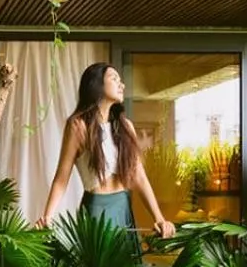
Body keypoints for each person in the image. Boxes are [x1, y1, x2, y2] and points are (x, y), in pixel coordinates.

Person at [37, 62, 175, 246]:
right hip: (95, 210)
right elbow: (61, 179)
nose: (122, 84)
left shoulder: (126, 127)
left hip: (122, 207)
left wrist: (159, 218)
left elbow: (139, 176)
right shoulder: (78, 126)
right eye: (114, 78)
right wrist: (47, 216)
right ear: (97, 85)